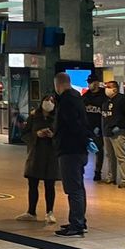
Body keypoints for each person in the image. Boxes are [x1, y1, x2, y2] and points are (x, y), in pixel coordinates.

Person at [52, 73, 91, 238]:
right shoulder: (77, 98)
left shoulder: (67, 101)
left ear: (58, 84)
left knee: (73, 188)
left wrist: (57, 136)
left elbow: (71, 125)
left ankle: (76, 224)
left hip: (70, 150)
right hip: (79, 149)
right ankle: (79, 220)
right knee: (79, 187)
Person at [16, 94, 60, 225]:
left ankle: (50, 212)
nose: (49, 103)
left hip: (51, 156)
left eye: (52, 101)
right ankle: (31, 211)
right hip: (35, 155)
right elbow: (24, 134)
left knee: (49, 185)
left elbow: (62, 136)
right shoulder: (34, 116)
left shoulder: (58, 118)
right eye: (46, 100)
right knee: (32, 184)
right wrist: (37, 135)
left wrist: (53, 136)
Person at [103, 81, 125, 189]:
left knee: (120, 156)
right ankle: (111, 176)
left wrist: (119, 126)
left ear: (115, 89)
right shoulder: (106, 100)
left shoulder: (121, 100)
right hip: (107, 131)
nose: (107, 89)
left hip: (117, 132)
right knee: (110, 156)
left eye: (109, 87)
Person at [81, 74, 107, 182]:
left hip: (98, 127)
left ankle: (97, 172)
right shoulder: (86, 96)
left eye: (90, 82)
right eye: (88, 82)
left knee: (98, 150)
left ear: (96, 83)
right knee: (83, 150)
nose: (89, 84)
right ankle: (81, 170)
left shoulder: (104, 95)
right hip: (86, 127)